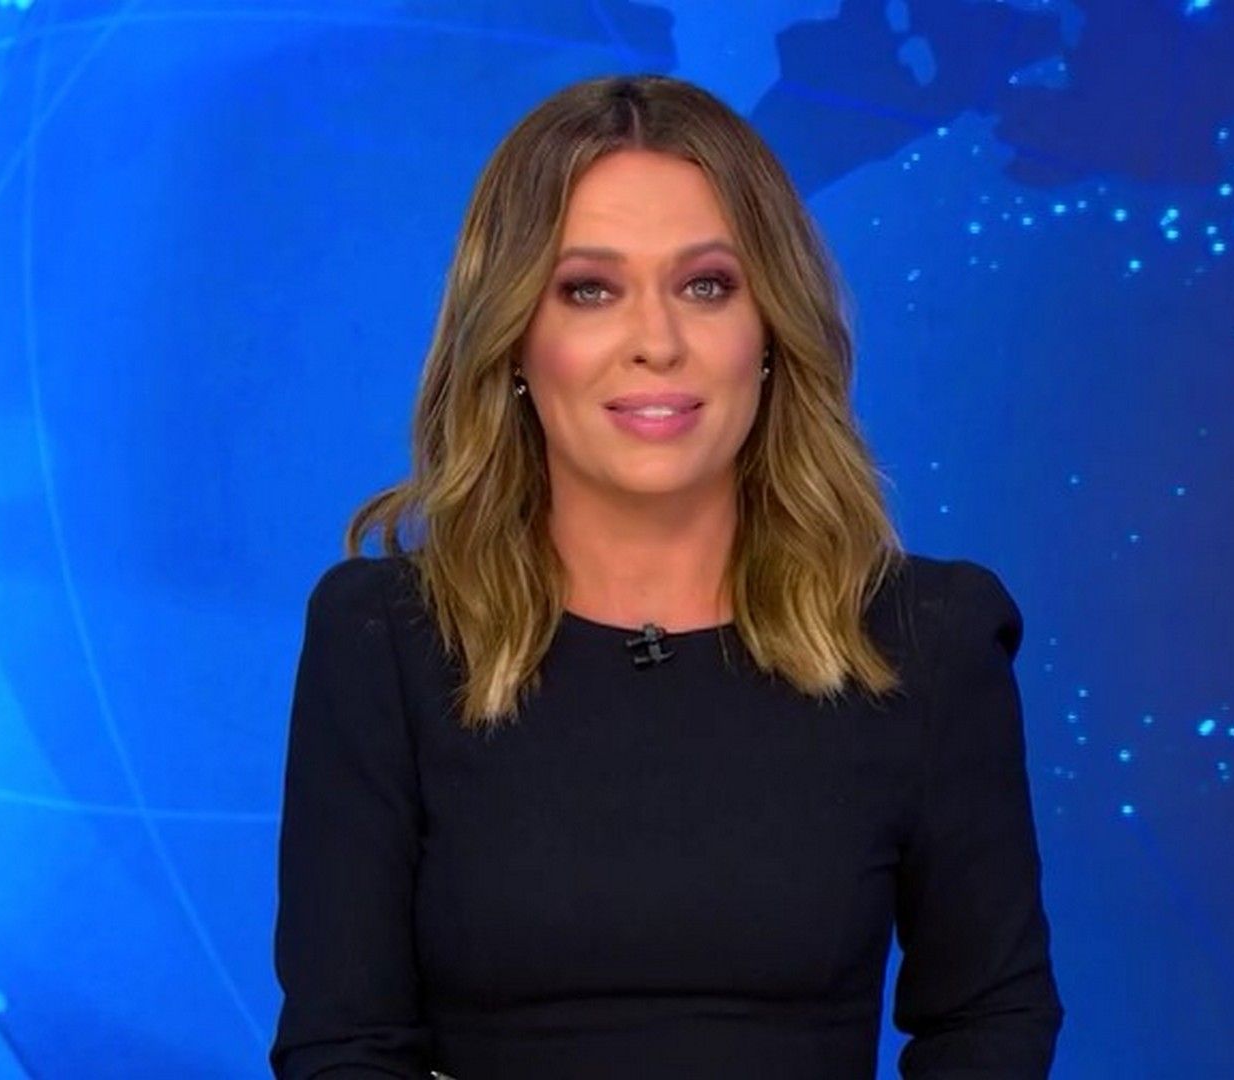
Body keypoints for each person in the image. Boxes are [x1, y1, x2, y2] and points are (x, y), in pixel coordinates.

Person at [270, 73, 1064, 1079]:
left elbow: (990, 1019)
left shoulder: (930, 636)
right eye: (589, 290)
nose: (657, 342)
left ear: (770, 329)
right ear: (515, 340)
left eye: (707, 285)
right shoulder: (384, 639)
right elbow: (343, 1048)